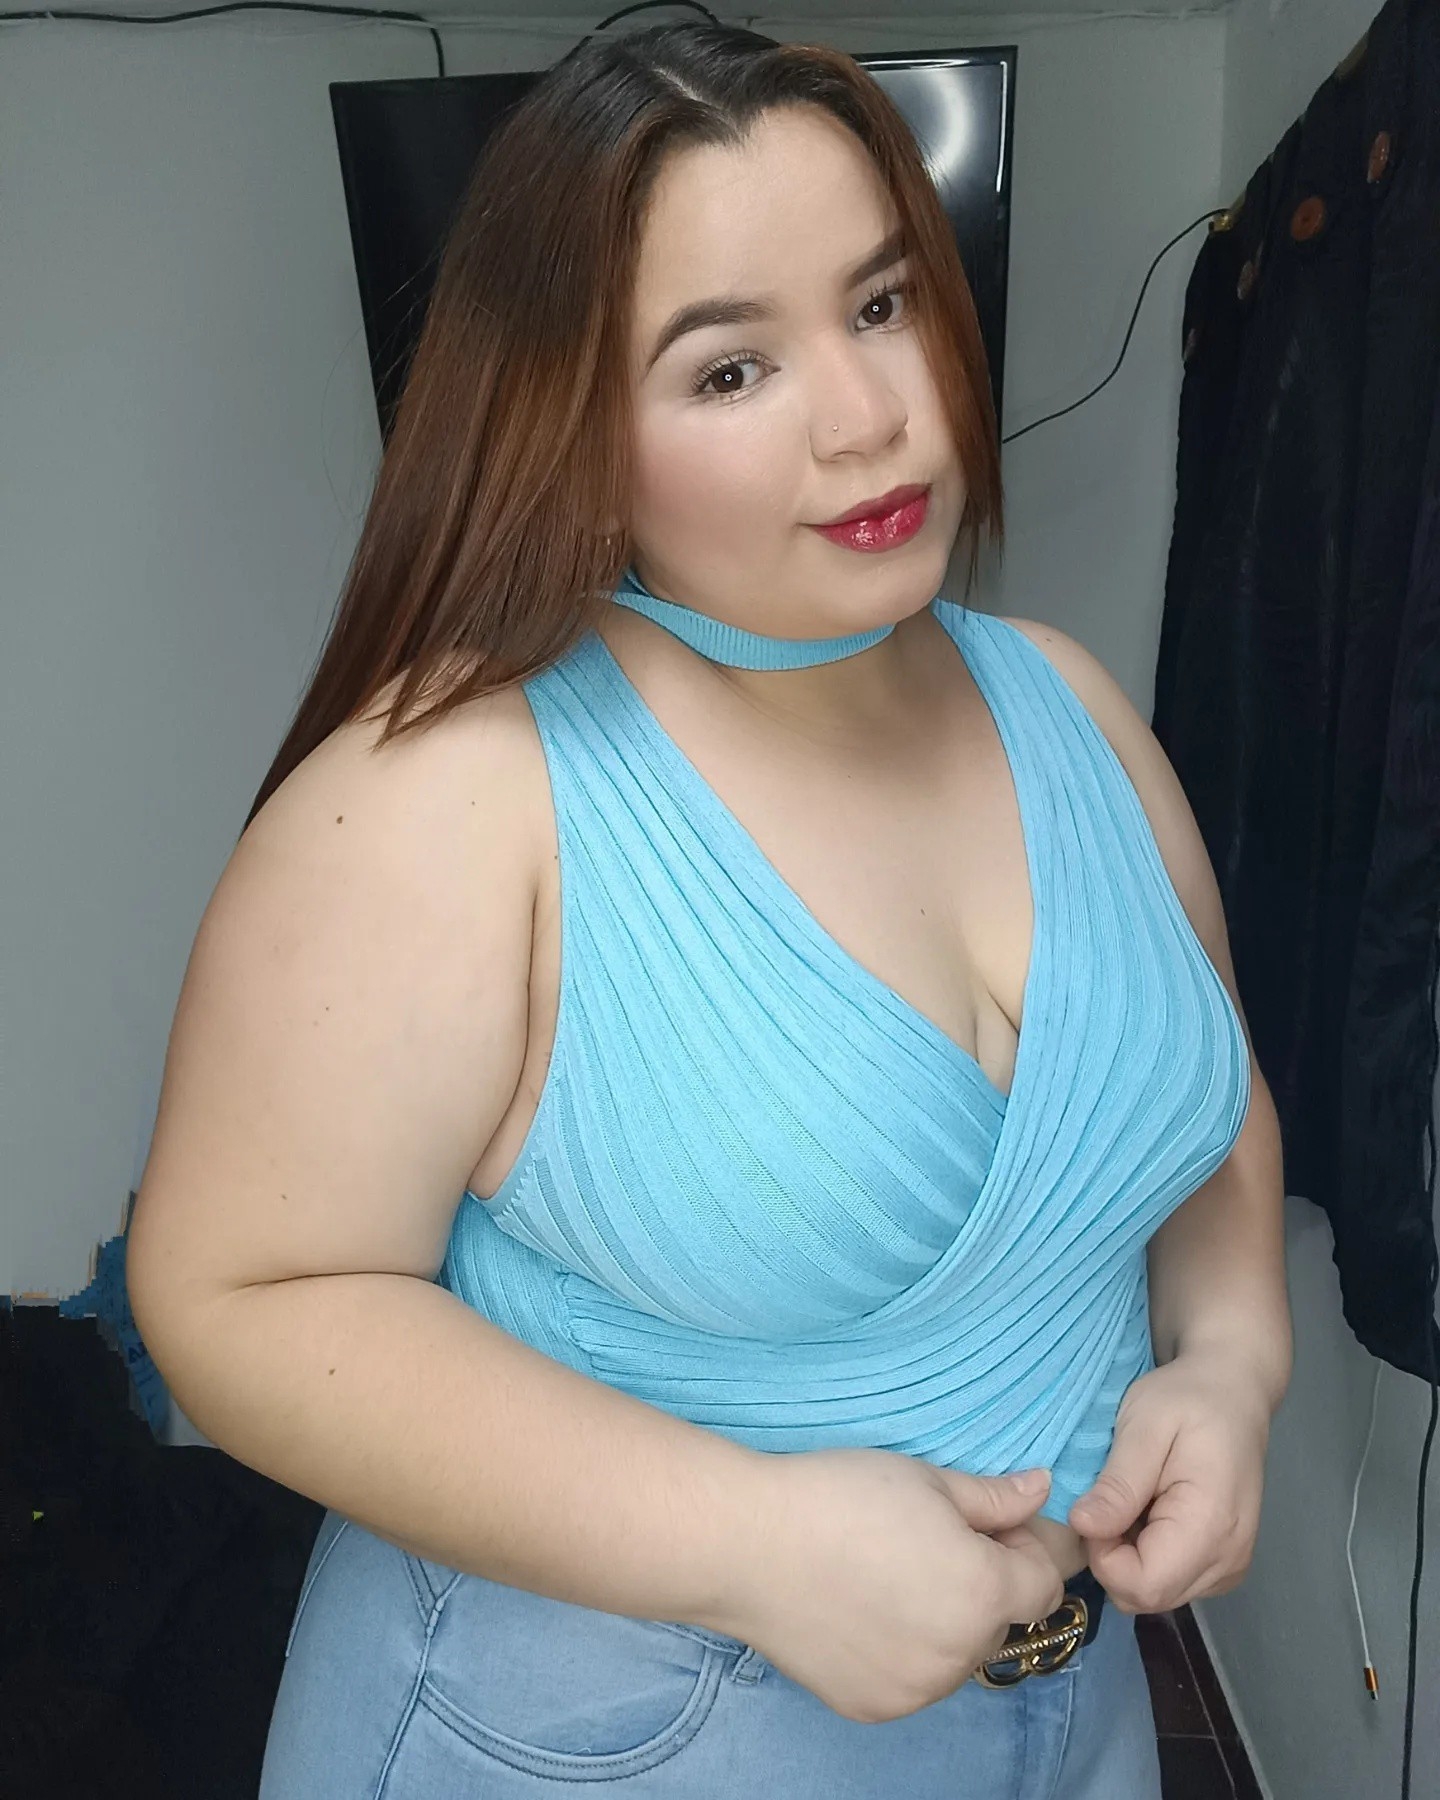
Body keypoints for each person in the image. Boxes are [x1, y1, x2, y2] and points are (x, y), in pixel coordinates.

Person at [125, 21, 1292, 1798]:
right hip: (609, 1721)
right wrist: (747, 1543)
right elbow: (235, 1295)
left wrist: (1233, 1361)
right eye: (730, 369)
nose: (870, 415)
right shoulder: (448, 794)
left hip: (1073, 1700)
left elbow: (1201, 1107)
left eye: (882, 303)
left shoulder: (1068, 705)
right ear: (574, 431)